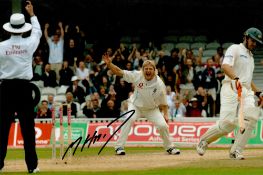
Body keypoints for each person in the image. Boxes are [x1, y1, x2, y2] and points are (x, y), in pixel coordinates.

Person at [196, 27, 263, 160]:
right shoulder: (235, 49)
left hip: (246, 91)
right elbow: (225, 67)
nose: (254, 44)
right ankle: (204, 140)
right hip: (231, 86)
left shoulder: (251, 57)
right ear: (246, 37)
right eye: (253, 41)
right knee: (227, 124)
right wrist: (236, 79)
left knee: (252, 119)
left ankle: (236, 151)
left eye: (256, 43)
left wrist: (259, 93)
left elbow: (247, 80)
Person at [102, 54, 180, 155]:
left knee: (162, 126)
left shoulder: (159, 84)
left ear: (154, 70)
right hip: (136, 106)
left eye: (150, 69)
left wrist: (166, 114)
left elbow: (163, 102)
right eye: (146, 69)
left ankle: (170, 147)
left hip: (151, 109)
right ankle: (119, 147)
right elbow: (119, 71)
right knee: (129, 119)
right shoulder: (138, 75)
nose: (148, 71)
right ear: (143, 70)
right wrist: (109, 64)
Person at [0, 1, 41, 173]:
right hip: (24, 89)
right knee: (28, 130)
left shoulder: (1, 47)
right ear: (23, 28)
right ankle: (32, 167)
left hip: (6, 89)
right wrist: (32, 14)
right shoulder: (28, 44)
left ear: (9, 28)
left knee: (1, 130)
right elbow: (37, 32)